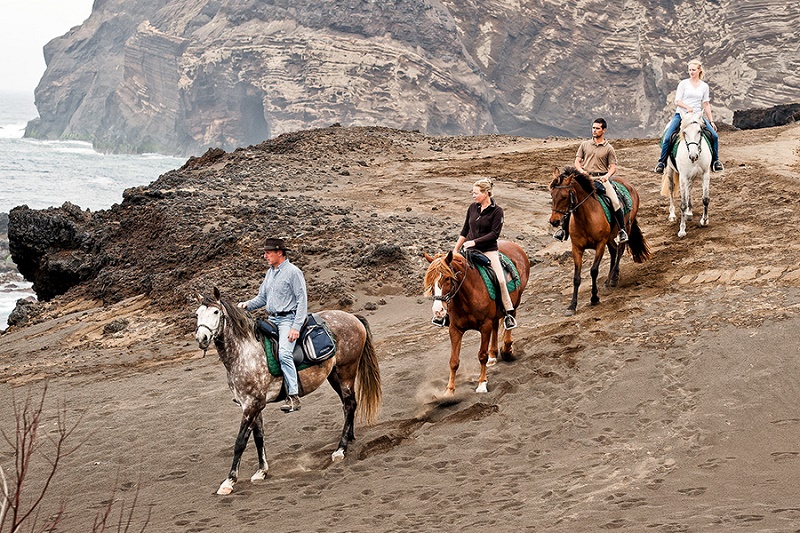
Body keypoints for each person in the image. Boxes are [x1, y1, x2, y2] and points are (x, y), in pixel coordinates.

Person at [433, 178, 517, 330]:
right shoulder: (472, 208)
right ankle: (446, 314)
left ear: (486, 193)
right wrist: (456, 249)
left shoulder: (497, 211)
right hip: (467, 250)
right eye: (473, 193)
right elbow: (465, 230)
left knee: (500, 280)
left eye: (476, 193)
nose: (473, 196)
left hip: (488, 251)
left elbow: (494, 234)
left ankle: (508, 313)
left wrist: (474, 242)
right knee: (451, 276)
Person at [238, 237, 308, 413]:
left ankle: (293, 396)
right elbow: (262, 298)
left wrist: (296, 327)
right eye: (265, 253)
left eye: (268, 252)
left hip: (288, 320)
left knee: (284, 353)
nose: (265, 256)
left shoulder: (293, 272)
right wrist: (246, 304)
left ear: (280, 253)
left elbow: (302, 300)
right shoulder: (270, 273)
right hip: (272, 319)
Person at [554, 118, 628, 244]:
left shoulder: (609, 148)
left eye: (597, 128)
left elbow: (613, 167)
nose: (594, 130)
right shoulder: (585, 145)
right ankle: (563, 230)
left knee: (615, 202)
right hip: (585, 179)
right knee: (571, 199)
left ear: (604, 130)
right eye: (593, 128)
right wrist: (581, 171)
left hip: (601, 179)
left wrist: (607, 176)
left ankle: (622, 230)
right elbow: (577, 161)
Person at [654, 59, 723, 174]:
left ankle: (716, 161)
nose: (691, 72)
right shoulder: (683, 84)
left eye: (693, 70)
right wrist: (687, 107)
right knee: (668, 137)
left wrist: (711, 121)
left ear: (699, 70)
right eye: (690, 70)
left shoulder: (704, 86)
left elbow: (706, 104)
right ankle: (661, 162)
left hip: (697, 117)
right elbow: (677, 101)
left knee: (714, 136)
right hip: (682, 115)